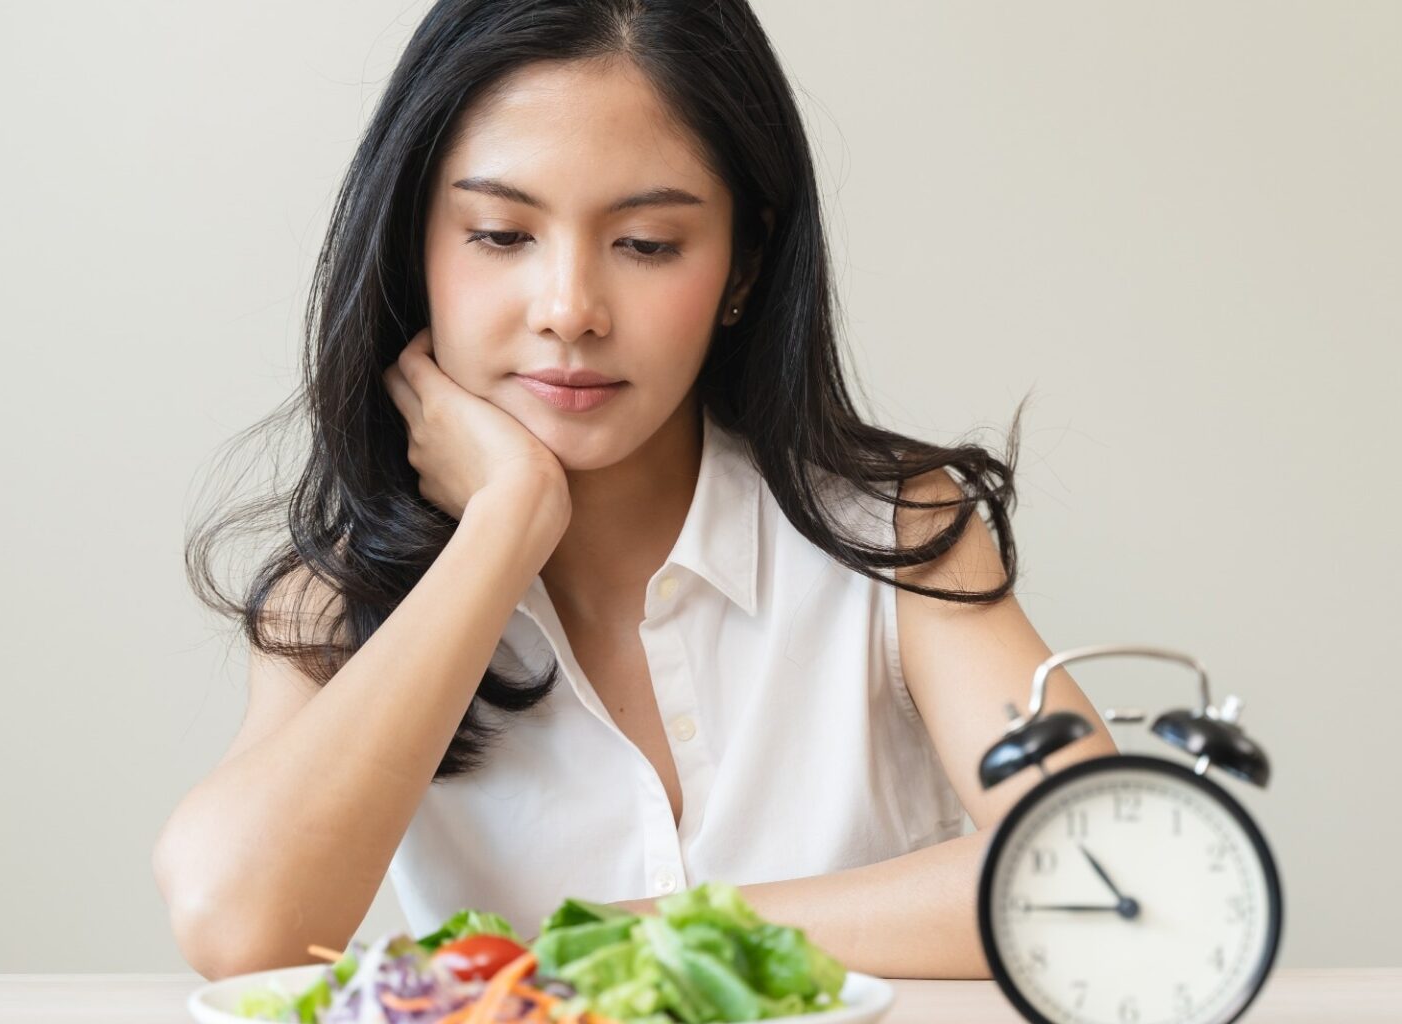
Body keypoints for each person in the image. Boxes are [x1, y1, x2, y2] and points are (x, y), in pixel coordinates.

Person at [154, 0, 1117, 983]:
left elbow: (1118, 871)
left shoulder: (896, 534)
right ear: (417, 249)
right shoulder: (343, 597)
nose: (570, 309)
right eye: (499, 233)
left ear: (743, 262)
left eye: (648, 243)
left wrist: (646, 930)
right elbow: (237, 927)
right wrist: (504, 525)